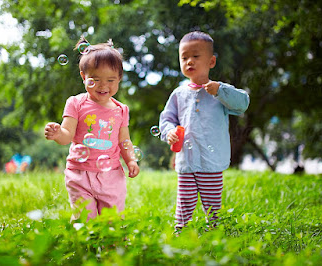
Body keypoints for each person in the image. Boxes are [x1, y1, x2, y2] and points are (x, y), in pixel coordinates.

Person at [159, 31, 250, 232]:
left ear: (211, 61)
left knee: (212, 204)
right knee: (184, 202)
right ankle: (180, 232)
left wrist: (220, 90)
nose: (189, 61)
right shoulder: (179, 94)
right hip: (187, 160)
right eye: (184, 57)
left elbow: (242, 104)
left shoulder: (219, 91)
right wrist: (170, 131)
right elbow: (166, 118)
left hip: (211, 161)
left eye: (196, 56)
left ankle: (215, 233)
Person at [44, 36, 140, 221]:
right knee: (84, 220)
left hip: (111, 175)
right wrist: (57, 134)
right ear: (83, 77)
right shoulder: (76, 103)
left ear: (119, 78)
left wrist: (131, 161)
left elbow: (124, 140)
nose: (103, 85)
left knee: (112, 221)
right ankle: (85, 247)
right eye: (95, 79)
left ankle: (112, 248)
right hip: (80, 174)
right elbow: (67, 135)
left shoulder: (121, 110)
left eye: (111, 80)